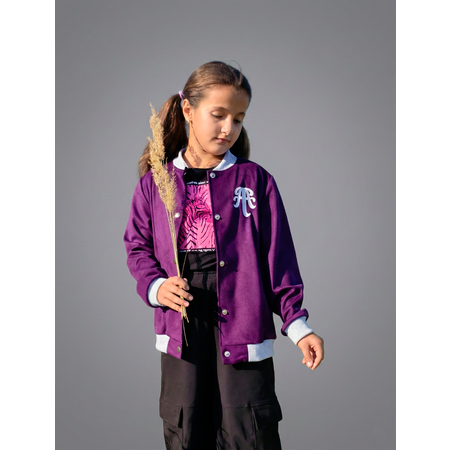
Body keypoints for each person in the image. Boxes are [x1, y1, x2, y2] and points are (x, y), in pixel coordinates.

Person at [124, 61, 324, 450]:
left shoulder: (256, 181)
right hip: (182, 321)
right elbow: (137, 246)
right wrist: (156, 287)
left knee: (249, 429)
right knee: (186, 427)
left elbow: (278, 259)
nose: (228, 128)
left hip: (244, 316)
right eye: (218, 115)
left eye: (238, 118)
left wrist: (299, 327)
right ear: (188, 110)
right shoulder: (154, 184)